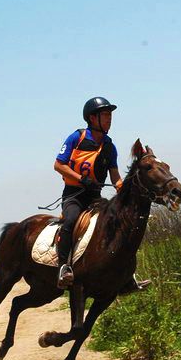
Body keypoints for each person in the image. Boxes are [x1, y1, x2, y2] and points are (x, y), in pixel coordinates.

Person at [54, 97, 122, 288]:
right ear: (93, 118)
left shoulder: (109, 147)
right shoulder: (76, 138)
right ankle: (63, 267)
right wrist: (81, 178)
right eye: (106, 115)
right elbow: (58, 165)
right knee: (70, 220)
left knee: (116, 222)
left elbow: (115, 176)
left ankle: (124, 273)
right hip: (73, 195)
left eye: (110, 115)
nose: (110, 119)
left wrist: (123, 190)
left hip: (94, 198)